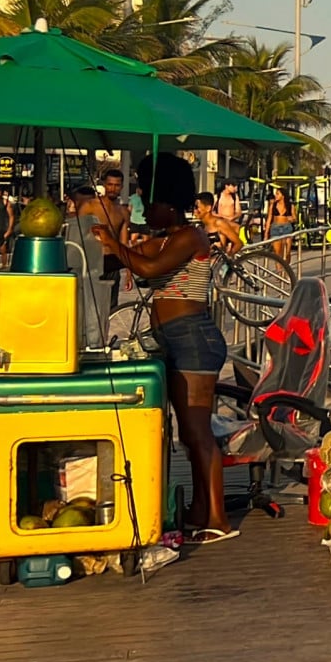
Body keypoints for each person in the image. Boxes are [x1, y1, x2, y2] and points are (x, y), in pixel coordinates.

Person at [92, 153, 233, 545]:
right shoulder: (167, 237)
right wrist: (121, 240)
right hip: (172, 337)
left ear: (166, 202)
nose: (141, 204)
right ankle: (200, 510)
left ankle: (218, 518)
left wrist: (113, 243)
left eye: (146, 198)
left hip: (193, 337)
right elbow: (142, 258)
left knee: (198, 431)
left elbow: (149, 269)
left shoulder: (191, 236)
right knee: (185, 434)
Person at [78, 169, 130, 308]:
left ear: (122, 186)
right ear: (104, 185)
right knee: (89, 306)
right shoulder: (90, 206)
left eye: (117, 185)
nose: (113, 188)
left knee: (111, 307)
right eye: (110, 184)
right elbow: (78, 235)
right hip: (93, 262)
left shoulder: (123, 212)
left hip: (113, 263)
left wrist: (129, 273)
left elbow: (124, 244)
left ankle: (106, 330)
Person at [265, 185, 297, 262]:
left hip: (286, 227)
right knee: (277, 253)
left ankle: (286, 270)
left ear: (283, 196)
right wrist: (266, 232)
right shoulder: (273, 205)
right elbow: (269, 219)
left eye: (277, 194)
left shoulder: (290, 206)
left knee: (287, 252)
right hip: (275, 227)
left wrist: (291, 219)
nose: (276, 196)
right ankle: (279, 272)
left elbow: (295, 218)